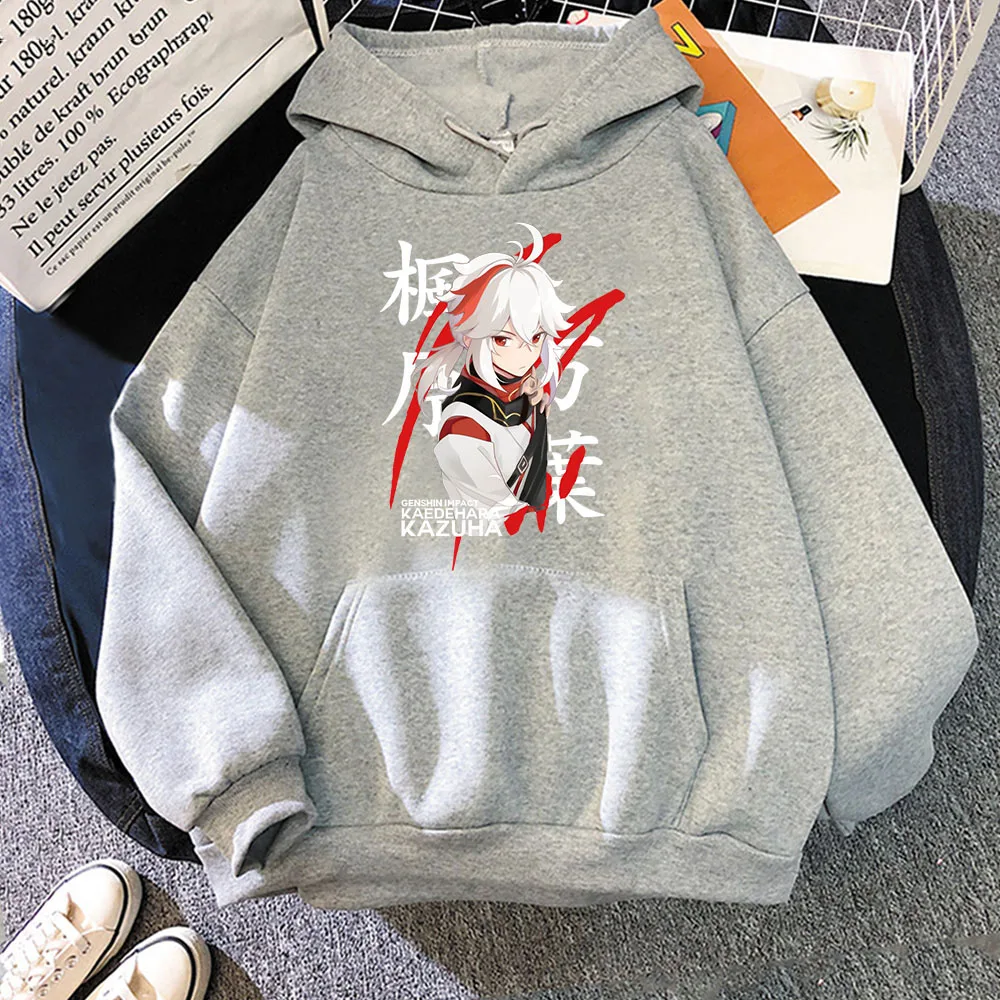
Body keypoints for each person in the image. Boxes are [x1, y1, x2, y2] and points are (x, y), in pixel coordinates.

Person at [415, 222, 573, 518]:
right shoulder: (464, 426)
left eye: (536, 337)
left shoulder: (524, 393)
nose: (525, 353)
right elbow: (501, 517)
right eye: (503, 339)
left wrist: (532, 399)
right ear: (470, 336)